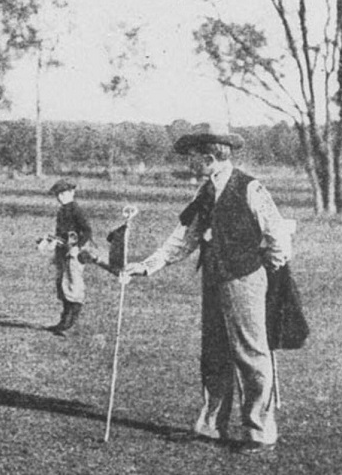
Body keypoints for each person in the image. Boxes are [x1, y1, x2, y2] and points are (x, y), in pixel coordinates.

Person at [124, 123, 294, 455]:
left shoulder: (250, 187)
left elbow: (276, 234)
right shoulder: (204, 191)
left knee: (250, 353)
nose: (188, 162)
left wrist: (268, 265)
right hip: (214, 279)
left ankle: (260, 432)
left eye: (192, 157)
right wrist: (147, 265)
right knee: (214, 353)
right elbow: (184, 238)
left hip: (244, 279)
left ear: (210, 157)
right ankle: (210, 426)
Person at [45, 179, 96, 337]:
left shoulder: (75, 210)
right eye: (57, 194)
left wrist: (77, 247)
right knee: (63, 283)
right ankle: (64, 318)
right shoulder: (63, 210)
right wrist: (52, 241)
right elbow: (62, 232)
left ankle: (70, 321)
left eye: (63, 193)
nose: (60, 197)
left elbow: (87, 231)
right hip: (63, 251)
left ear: (72, 193)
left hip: (74, 253)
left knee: (73, 283)